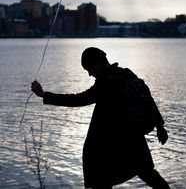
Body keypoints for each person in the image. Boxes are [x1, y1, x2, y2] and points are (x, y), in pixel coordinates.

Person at [31, 47, 170, 189]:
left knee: (101, 181)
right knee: (147, 173)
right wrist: (160, 126)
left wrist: (44, 94)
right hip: (134, 139)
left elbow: (78, 100)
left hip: (110, 144)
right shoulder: (126, 74)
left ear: (98, 63)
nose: (90, 74)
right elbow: (148, 99)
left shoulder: (106, 83)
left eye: (89, 69)